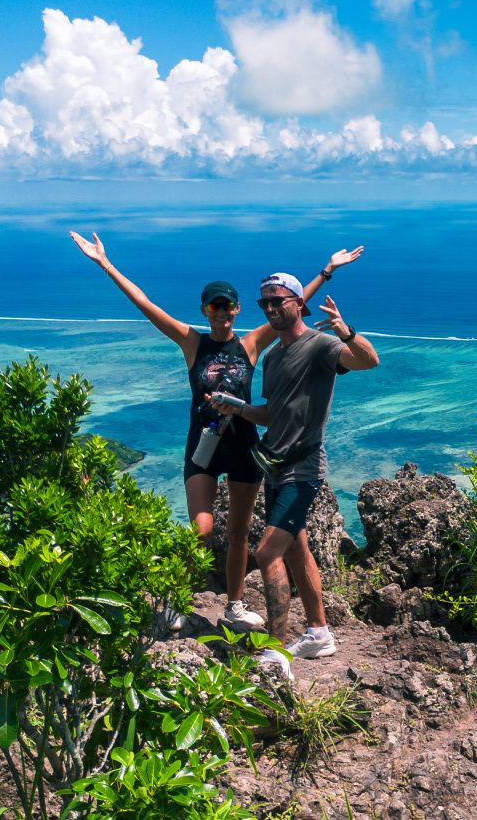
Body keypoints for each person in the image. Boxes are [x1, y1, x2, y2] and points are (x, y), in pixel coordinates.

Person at [69, 232, 363, 630]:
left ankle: (235, 605)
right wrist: (105, 263)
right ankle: (175, 599)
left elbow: (290, 306)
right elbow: (145, 305)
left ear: (238, 310)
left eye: (228, 306)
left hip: (243, 446)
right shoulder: (192, 342)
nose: (221, 313)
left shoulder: (252, 344)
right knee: (202, 530)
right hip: (202, 447)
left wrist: (326, 272)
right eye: (214, 306)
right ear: (205, 310)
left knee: (239, 533)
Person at [210, 273, 379, 679]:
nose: (270, 308)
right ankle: (319, 634)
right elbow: (274, 412)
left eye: (279, 301)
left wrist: (348, 332)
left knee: (266, 552)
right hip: (274, 464)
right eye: (264, 303)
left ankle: (276, 651)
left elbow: (368, 360)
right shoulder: (273, 358)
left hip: (303, 469)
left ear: (299, 304)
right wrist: (238, 408)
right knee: (294, 548)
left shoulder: (320, 345)